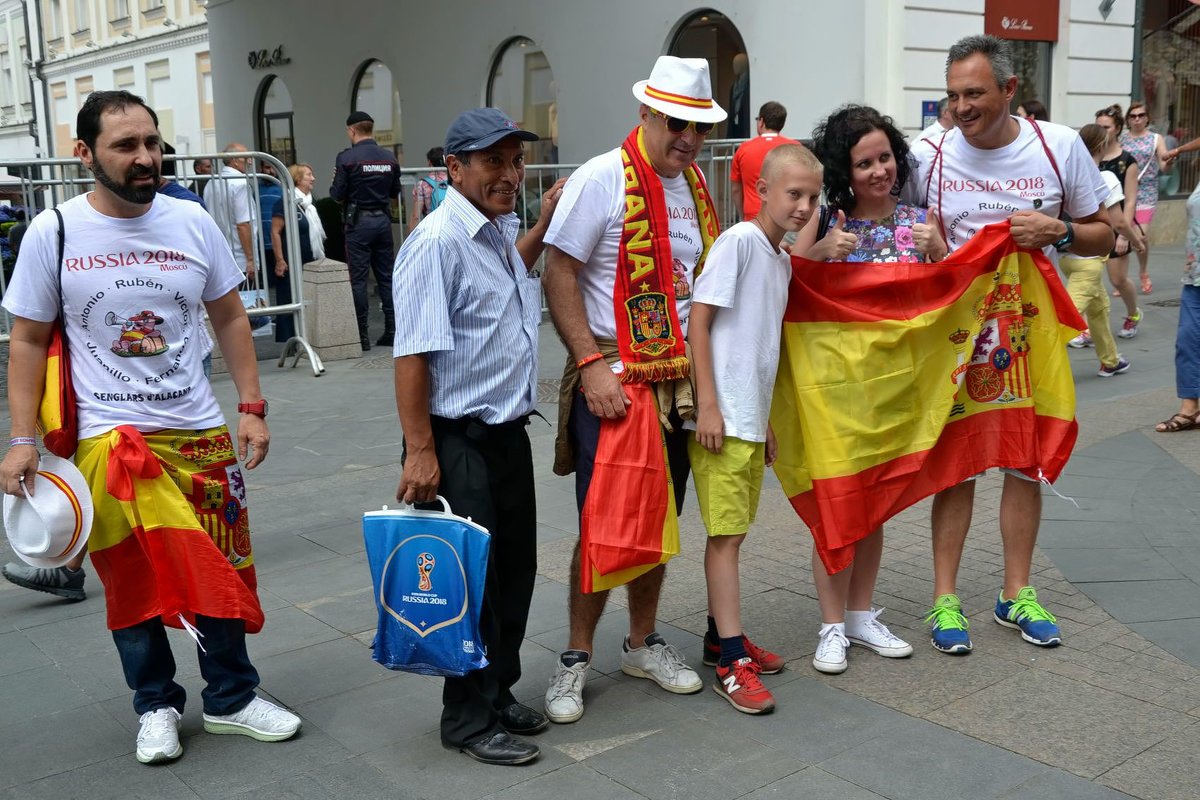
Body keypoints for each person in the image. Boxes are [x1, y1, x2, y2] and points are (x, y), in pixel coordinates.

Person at [0, 90, 299, 766]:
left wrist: (251, 406)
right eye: (126, 147)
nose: (146, 158)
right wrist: (21, 440)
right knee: (131, 583)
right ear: (84, 155)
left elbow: (227, 315)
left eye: (152, 143)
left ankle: (231, 697)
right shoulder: (56, 231)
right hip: (108, 443)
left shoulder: (191, 222)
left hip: (199, 435)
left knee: (222, 567)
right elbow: (26, 340)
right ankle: (155, 704)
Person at [909, 35, 1111, 654]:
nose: (962, 108)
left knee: (1026, 463)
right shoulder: (930, 153)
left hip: (1031, 336)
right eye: (953, 95)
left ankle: (1014, 594)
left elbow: (1107, 236)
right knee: (957, 464)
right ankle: (945, 599)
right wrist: (923, 244)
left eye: (974, 93)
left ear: (1008, 90)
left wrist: (1061, 230)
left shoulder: (1059, 147)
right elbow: (885, 222)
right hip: (958, 338)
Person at [541, 55, 724, 724]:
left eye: (698, 128)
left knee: (661, 518)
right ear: (646, 113)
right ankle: (574, 656)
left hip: (677, 380)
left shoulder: (695, 188)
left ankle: (642, 642)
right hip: (615, 378)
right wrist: (588, 362)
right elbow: (558, 271)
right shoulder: (601, 178)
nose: (688, 139)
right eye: (678, 123)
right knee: (604, 520)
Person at [392, 107, 565, 766]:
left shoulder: (495, 233)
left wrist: (543, 226)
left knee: (514, 571)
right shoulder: (437, 242)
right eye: (493, 161)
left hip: (505, 434)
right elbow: (412, 355)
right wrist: (420, 450)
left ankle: (496, 692)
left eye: (515, 161)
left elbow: (508, 279)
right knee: (467, 584)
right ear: (455, 168)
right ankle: (464, 718)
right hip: (456, 439)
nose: (509, 174)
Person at [792, 105, 935, 674]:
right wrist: (822, 253)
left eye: (885, 158)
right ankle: (831, 626)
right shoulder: (825, 219)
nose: (879, 171)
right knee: (836, 505)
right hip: (833, 388)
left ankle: (859, 616)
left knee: (873, 506)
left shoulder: (923, 219)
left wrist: (939, 253)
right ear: (843, 172)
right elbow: (789, 274)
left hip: (895, 389)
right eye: (864, 163)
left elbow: (947, 296)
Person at [689, 143, 822, 714]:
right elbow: (700, 322)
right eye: (794, 194)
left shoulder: (780, 257)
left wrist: (762, 418)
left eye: (812, 197)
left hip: (747, 419)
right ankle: (730, 661)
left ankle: (721, 636)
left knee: (735, 532)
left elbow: (760, 346)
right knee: (725, 539)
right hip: (722, 420)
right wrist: (710, 406)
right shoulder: (741, 242)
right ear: (762, 190)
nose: (803, 206)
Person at [1061, 124, 1143, 378]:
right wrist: (1137, 242)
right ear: (1100, 146)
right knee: (1064, 320)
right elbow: (1118, 222)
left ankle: (1110, 360)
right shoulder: (1105, 178)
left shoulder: (1066, 174)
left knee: (1098, 310)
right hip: (1090, 260)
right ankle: (1033, 368)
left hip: (1067, 255)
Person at [330, 110, 401, 351]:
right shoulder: (389, 158)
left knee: (358, 280)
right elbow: (394, 193)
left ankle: (363, 336)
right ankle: (392, 330)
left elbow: (337, 196)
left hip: (358, 223)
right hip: (382, 221)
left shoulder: (347, 158)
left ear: (352, 130)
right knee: (387, 277)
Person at [1082, 105, 1143, 345]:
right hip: (1093, 229)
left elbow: (1129, 201)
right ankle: (1086, 328)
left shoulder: (1127, 161)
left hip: (1117, 228)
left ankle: (1133, 313)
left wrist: (1124, 235)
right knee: (1088, 280)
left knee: (1118, 280)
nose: (1101, 131)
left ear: (1117, 129)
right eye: (1098, 126)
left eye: (1105, 127)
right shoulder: (1087, 159)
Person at [1154, 134, 1200, 432]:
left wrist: (1179, 150)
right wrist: (1179, 151)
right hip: (1194, 275)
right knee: (1188, 341)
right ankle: (1189, 408)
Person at [270, 164, 326, 343]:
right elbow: (275, 232)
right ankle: (292, 341)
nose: (313, 178)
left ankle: (307, 337)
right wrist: (280, 260)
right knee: (290, 299)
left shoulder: (310, 203)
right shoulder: (285, 201)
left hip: (310, 261)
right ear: (298, 179)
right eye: (309, 175)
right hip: (291, 262)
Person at [1120, 101, 1171, 296]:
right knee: (1122, 233)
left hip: (1146, 191)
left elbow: (1164, 166)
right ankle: (1122, 279)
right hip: (1124, 192)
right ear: (1128, 120)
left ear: (1147, 118)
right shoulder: (1122, 139)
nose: (1137, 119)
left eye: (1141, 115)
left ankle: (1142, 271)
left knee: (1139, 236)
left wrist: (1169, 163)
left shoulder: (1156, 139)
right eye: (1133, 116)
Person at [730, 101, 798, 221]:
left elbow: (736, 189)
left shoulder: (744, 148)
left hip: (754, 217)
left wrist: (743, 215)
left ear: (761, 121)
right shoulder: (796, 148)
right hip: (786, 216)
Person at [203, 143, 257, 284]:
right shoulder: (240, 184)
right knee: (249, 303)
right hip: (241, 259)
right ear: (234, 161)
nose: (250, 162)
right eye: (246, 158)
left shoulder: (211, 182)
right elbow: (243, 225)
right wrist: (250, 260)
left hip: (219, 256)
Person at [409, 146, 448, 228]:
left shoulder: (422, 184)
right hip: (451, 227)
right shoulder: (454, 181)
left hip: (433, 228)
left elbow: (416, 216)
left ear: (430, 163)